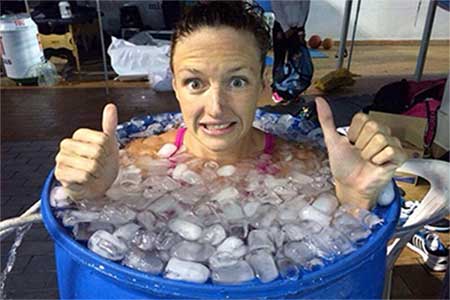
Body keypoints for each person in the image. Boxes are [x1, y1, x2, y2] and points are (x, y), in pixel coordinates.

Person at [55, 1, 407, 210]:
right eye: (195, 83)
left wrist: (353, 198)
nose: (216, 107)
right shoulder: (136, 161)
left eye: (237, 81)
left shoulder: (303, 164)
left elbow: (345, 243)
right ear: (175, 87)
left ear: (263, 85)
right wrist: (92, 196)